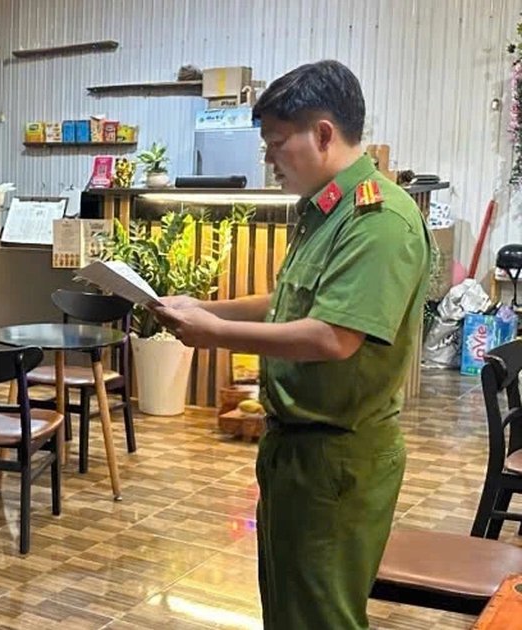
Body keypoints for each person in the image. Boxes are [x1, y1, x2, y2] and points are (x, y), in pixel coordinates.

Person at [151, 60, 431, 630]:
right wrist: (204, 307)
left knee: (321, 617)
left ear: (323, 134)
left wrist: (214, 334)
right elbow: (287, 302)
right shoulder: (326, 210)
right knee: (289, 611)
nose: (269, 159)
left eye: (277, 144)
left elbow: (333, 336)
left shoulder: (378, 220)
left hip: (337, 456)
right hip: (296, 450)